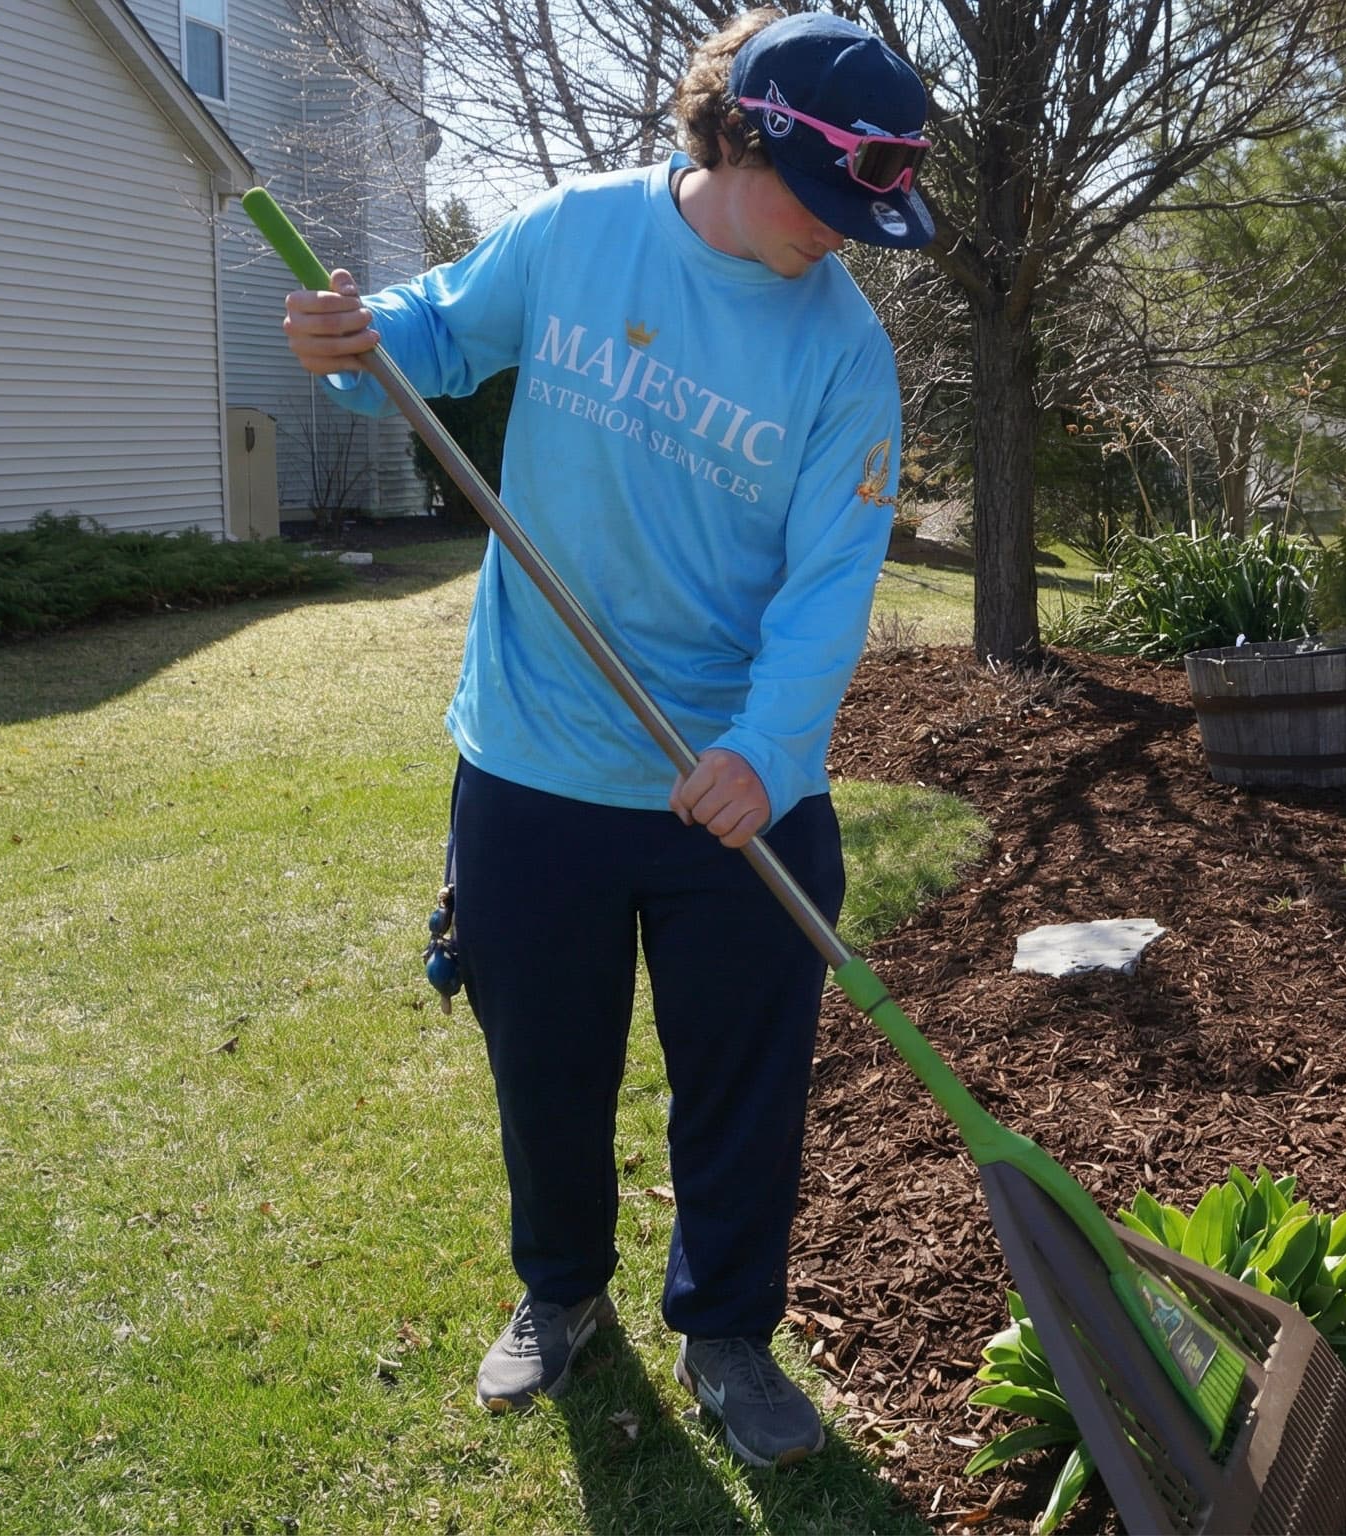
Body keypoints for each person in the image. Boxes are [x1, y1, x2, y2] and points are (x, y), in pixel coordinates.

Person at [279, 8, 932, 1468]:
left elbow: (830, 588)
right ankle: (563, 1291)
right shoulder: (578, 232)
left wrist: (766, 752)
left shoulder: (847, 356)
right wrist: (350, 342)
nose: (841, 238)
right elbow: (426, 337)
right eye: (824, 202)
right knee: (549, 1068)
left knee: (744, 1088)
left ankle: (728, 1332)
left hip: (738, 791)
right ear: (743, 136)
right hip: (536, 761)